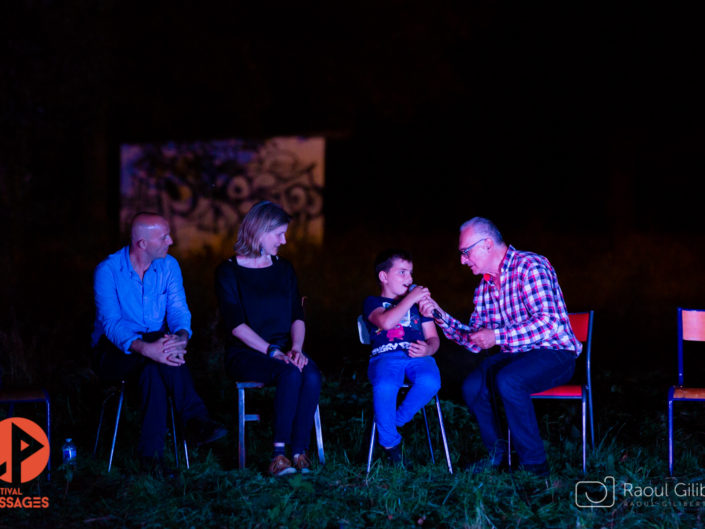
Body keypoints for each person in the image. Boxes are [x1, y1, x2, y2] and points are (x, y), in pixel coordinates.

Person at [419, 217, 581, 477]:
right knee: (472, 386)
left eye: (465, 252)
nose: (462, 260)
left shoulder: (530, 266)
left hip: (555, 353)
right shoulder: (485, 287)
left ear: (485, 245)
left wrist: (498, 336)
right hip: (517, 357)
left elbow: (548, 323)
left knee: (509, 380)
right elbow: (474, 339)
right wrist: (439, 315)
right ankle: (499, 455)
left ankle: (535, 469)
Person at [92, 213, 227, 474]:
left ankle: (151, 460)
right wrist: (146, 348)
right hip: (114, 350)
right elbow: (111, 324)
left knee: (154, 368)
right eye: (163, 236)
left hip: (157, 347)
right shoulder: (108, 271)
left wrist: (180, 338)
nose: (171, 240)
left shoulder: (169, 266)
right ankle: (195, 420)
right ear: (142, 243)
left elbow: (178, 311)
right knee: (154, 350)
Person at [215, 201, 321, 477]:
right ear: (260, 232)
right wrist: (273, 351)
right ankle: (278, 456)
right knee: (289, 373)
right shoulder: (228, 271)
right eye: (279, 234)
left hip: (285, 348)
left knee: (310, 374)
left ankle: (299, 452)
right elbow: (235, 324)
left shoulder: (284, 269)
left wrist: (296, 348)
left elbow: (297, 314)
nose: (284, 241)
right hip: (248, 352)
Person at [362, 249, 441, 466]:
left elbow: (433, 339)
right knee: (385, 385)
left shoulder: (419, 306)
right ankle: (391, 446)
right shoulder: (373, 302)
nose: (410, 279)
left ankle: (392, 422)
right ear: (384, 276)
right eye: (403, 273)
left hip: (418, 357)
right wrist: (411, 298)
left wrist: (428, 349)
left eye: (411, 273)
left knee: (430, 381)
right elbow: (386, 323)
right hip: (385, 358)